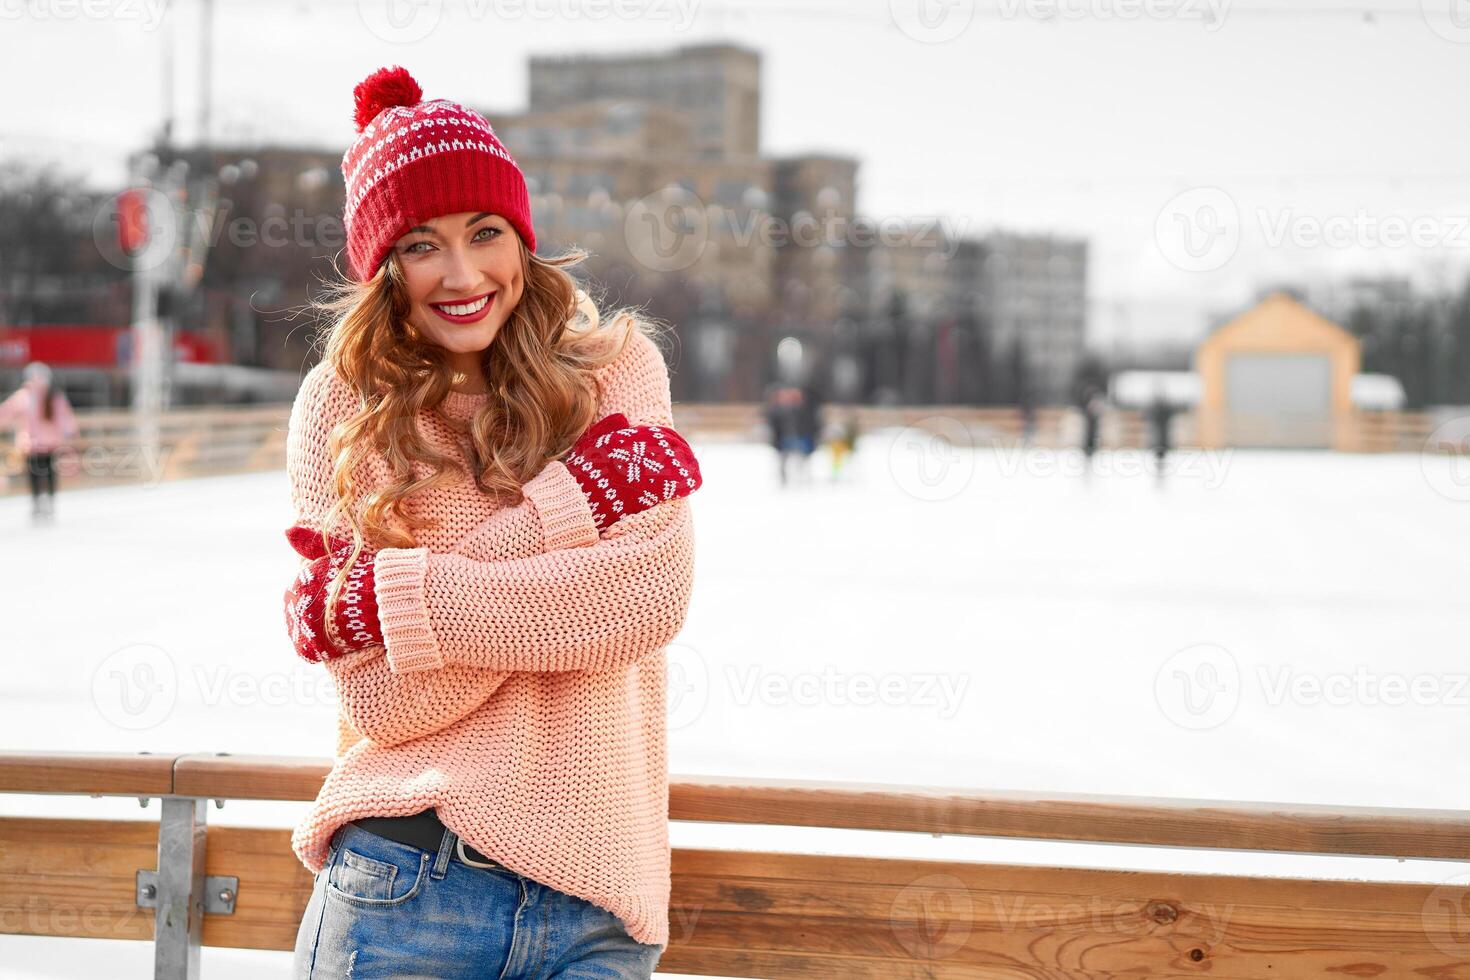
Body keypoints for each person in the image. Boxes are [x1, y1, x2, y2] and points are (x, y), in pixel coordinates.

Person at [282, 66, 704, 980]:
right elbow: (391, 702)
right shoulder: (342, 408)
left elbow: (643, 601)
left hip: (601, 903)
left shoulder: (616, 372)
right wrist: (579, 502)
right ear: (382, 267)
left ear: (524, 239)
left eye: (486, 233)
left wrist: (403, 597)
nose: (464, 274)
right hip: (405, 884)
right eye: (422, 246)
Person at [0, 361, 80, 522]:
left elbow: (64, 417)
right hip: (36, 444)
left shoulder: (45, 397)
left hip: (41, 444)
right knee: (43, 474)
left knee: (41, 473)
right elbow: (8, 412)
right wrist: (70, 432)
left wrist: (70, 432)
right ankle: (41, 502)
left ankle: (44, 502)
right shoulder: (30, 396)